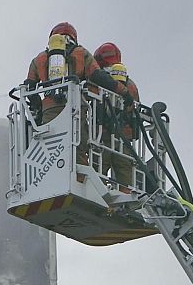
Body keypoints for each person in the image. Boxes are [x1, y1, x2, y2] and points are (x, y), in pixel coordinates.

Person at [24, 22, 100, 123]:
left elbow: (29, 87)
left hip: (49, 111)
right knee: (81, 137)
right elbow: (97, 76)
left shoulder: (39, 59)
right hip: (76, 109)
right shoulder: (81, 53)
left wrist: (38, 105)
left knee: (48, 136)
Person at [93, 41, 142, 187]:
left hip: (104, 135)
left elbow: (90, 97)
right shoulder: (130, 83)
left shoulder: (101, 79)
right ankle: (125, 202)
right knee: (126, 178)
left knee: (98, 176)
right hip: (124, 139)